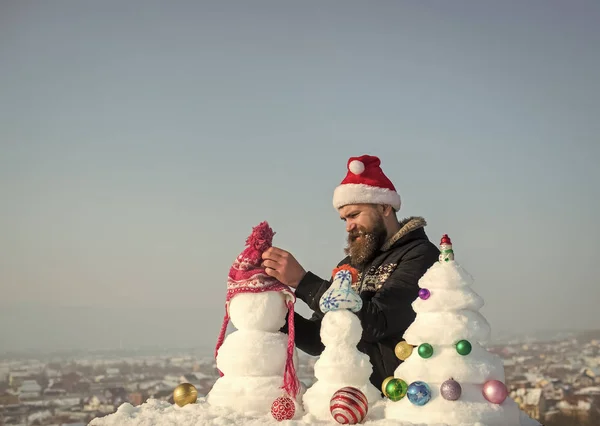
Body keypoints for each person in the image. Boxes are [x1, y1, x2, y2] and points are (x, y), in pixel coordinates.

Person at [261, 154, 440, 391]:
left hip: (402, 399)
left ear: (385, 207)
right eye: (344, 219)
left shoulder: (420, 255)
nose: (348, 226)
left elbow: (380, 321)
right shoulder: (349, 265)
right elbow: (319, 339)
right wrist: (272, 308)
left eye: (354, 215)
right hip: (353, 397)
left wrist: (303, 282)